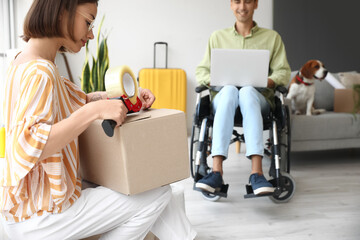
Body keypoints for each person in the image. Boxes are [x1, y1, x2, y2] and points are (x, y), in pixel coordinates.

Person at [0, 0, 196, 239]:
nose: (91, 34)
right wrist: (92, 112)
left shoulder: (24, 61)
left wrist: (126, 100)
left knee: (151, 189)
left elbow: (77, 101)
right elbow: (26, 146)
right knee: (158, 191)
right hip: (43, 216)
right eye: (88, 21)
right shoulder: (41, 72)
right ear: (63, 12)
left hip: (26, 210)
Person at [195, 0, 291, 195]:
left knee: (247, 91)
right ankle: (216, 172)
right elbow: (202, 71)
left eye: (247, 1)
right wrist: (214, 80)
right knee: (230, 89)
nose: (242, 6)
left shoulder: (272, 38)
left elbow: (283, 72)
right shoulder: (217, 37)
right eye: (237, 1)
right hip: (224, 100)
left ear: (255, 4)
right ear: (231, 4)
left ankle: (257, 173)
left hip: (258, 100)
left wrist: (268, 81)